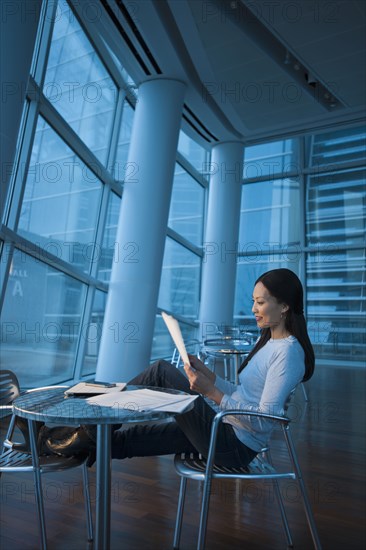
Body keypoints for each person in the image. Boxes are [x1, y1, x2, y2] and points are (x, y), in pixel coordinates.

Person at [41, 268, 315, 468]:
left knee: (161, 370)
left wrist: (213, 393)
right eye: (253, 301)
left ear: (284, 306)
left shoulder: (288, 353)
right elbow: (244, 394)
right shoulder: (269, 343)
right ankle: (53, 443)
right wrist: (211, 378)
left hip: (234, 445)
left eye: (261, 302)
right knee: (125, 441)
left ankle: (79, 433)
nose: (253, 308)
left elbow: (264, 420)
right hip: (224, 430)